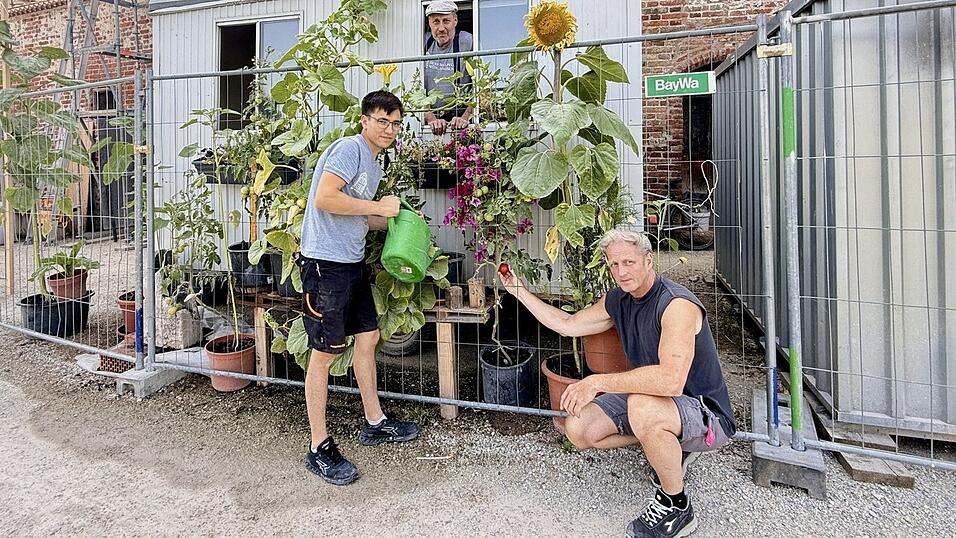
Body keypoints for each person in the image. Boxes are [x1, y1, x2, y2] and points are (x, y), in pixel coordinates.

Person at [500, 228, 737, 538]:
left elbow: (670, 381)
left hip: (706, 415)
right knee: (579, 428)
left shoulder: (676, 305)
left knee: (641, 406)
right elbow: (568, 325)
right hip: (657, 404)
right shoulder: (619, 299)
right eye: (614, 265)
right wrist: (518, 291)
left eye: (629, 262)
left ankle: (677, 507)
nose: (621, 272)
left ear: (648, 261)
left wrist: (596, 381)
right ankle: (665, 445)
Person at [299, 90, 419, 486]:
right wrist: (378, 207)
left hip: (351, 263)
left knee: (368, 338)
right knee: (325, 354)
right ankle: (318, 447)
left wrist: (402, 225)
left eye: (397, 123)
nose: (390, 129)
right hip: (325, 265)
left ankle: (374, 422)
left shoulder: (373, 162)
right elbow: (324, 199)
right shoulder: (351, 149)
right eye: (382, 121)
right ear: (365, 120)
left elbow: (356, 215)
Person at [423, 0, 473, 135]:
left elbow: (482, 84)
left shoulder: (467, 42)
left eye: (446, 21)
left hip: (460, 118)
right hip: (433, 120)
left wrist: (465, 117)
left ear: (455, 20)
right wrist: (431, 118)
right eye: (436, 22)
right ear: (429, 23)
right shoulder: (423, 43)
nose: (441, 28)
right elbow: (415, 87)